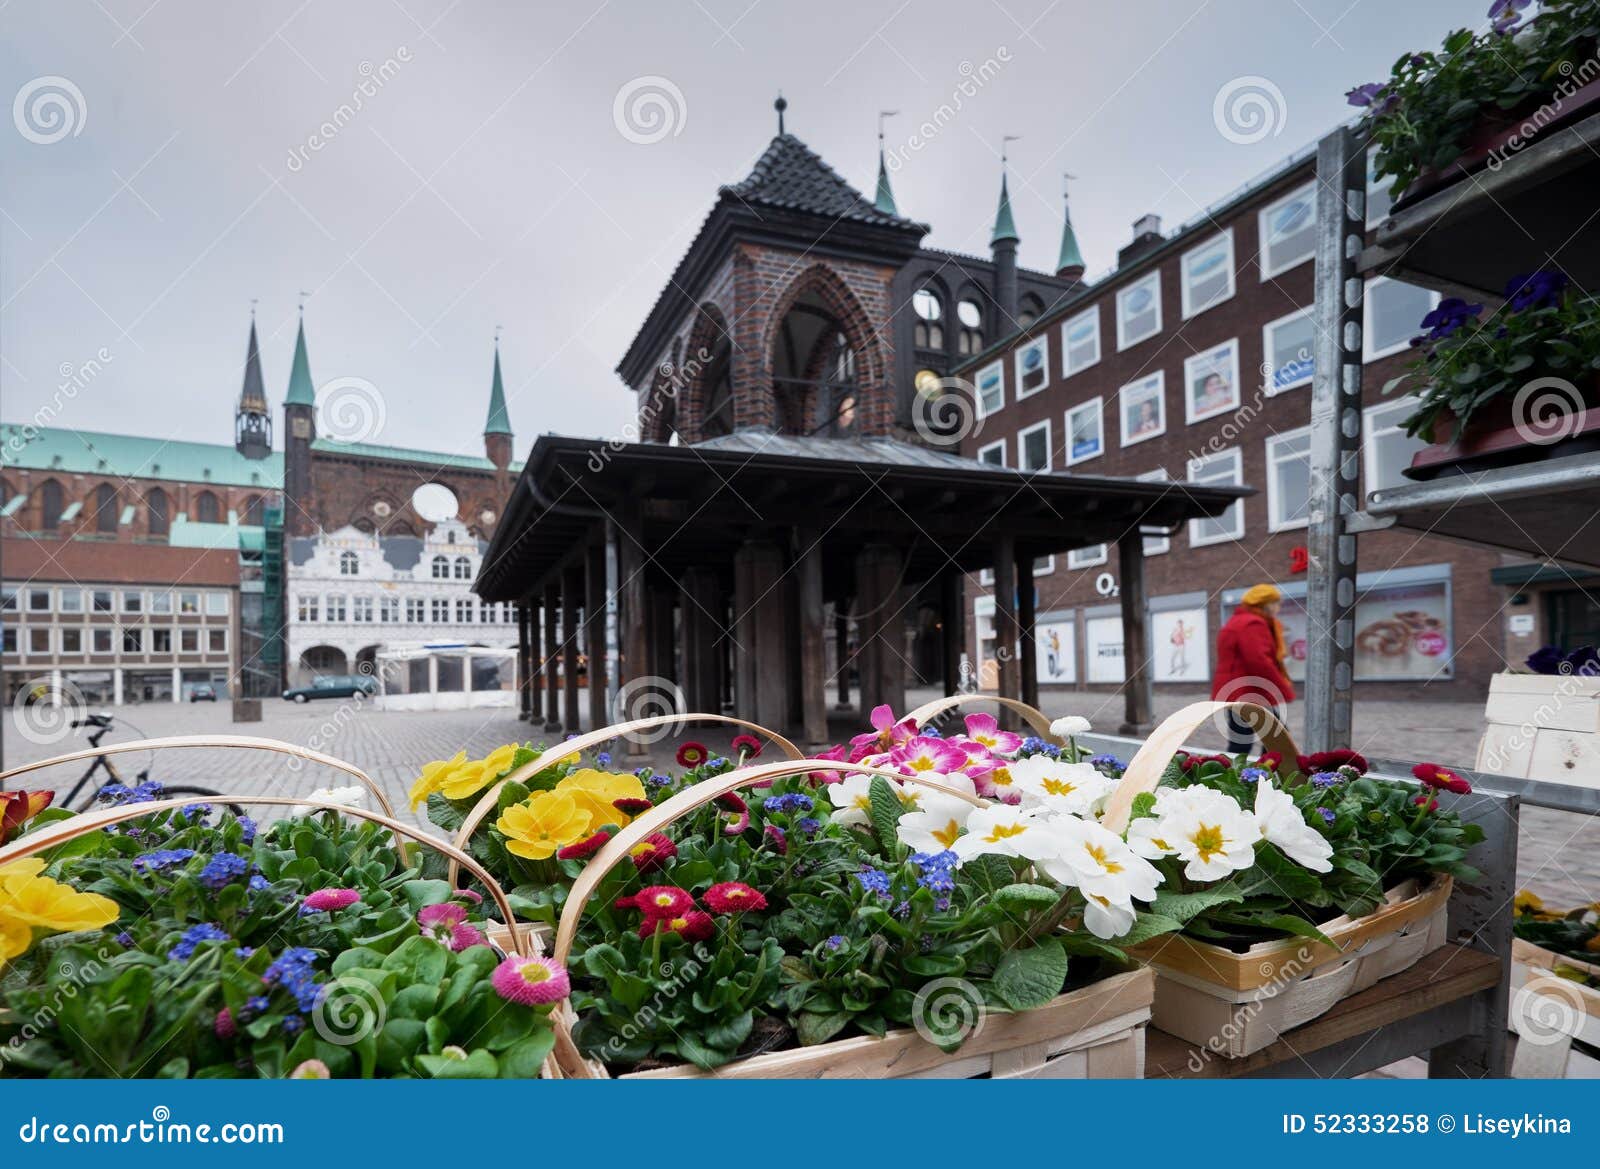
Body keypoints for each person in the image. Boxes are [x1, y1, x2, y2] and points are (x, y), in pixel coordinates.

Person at [1212, 583, 1295, 754]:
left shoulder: (1237, 621)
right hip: (1247, 692)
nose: (1278, 608)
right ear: (1267, 604)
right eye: (1276, 603)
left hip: (1239, 691)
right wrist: (1282, 687)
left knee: (1246, 739)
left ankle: (1254, 774)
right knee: (1275, 736)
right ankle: (1265, 774)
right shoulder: (1253, 624)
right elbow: (1259, 661)